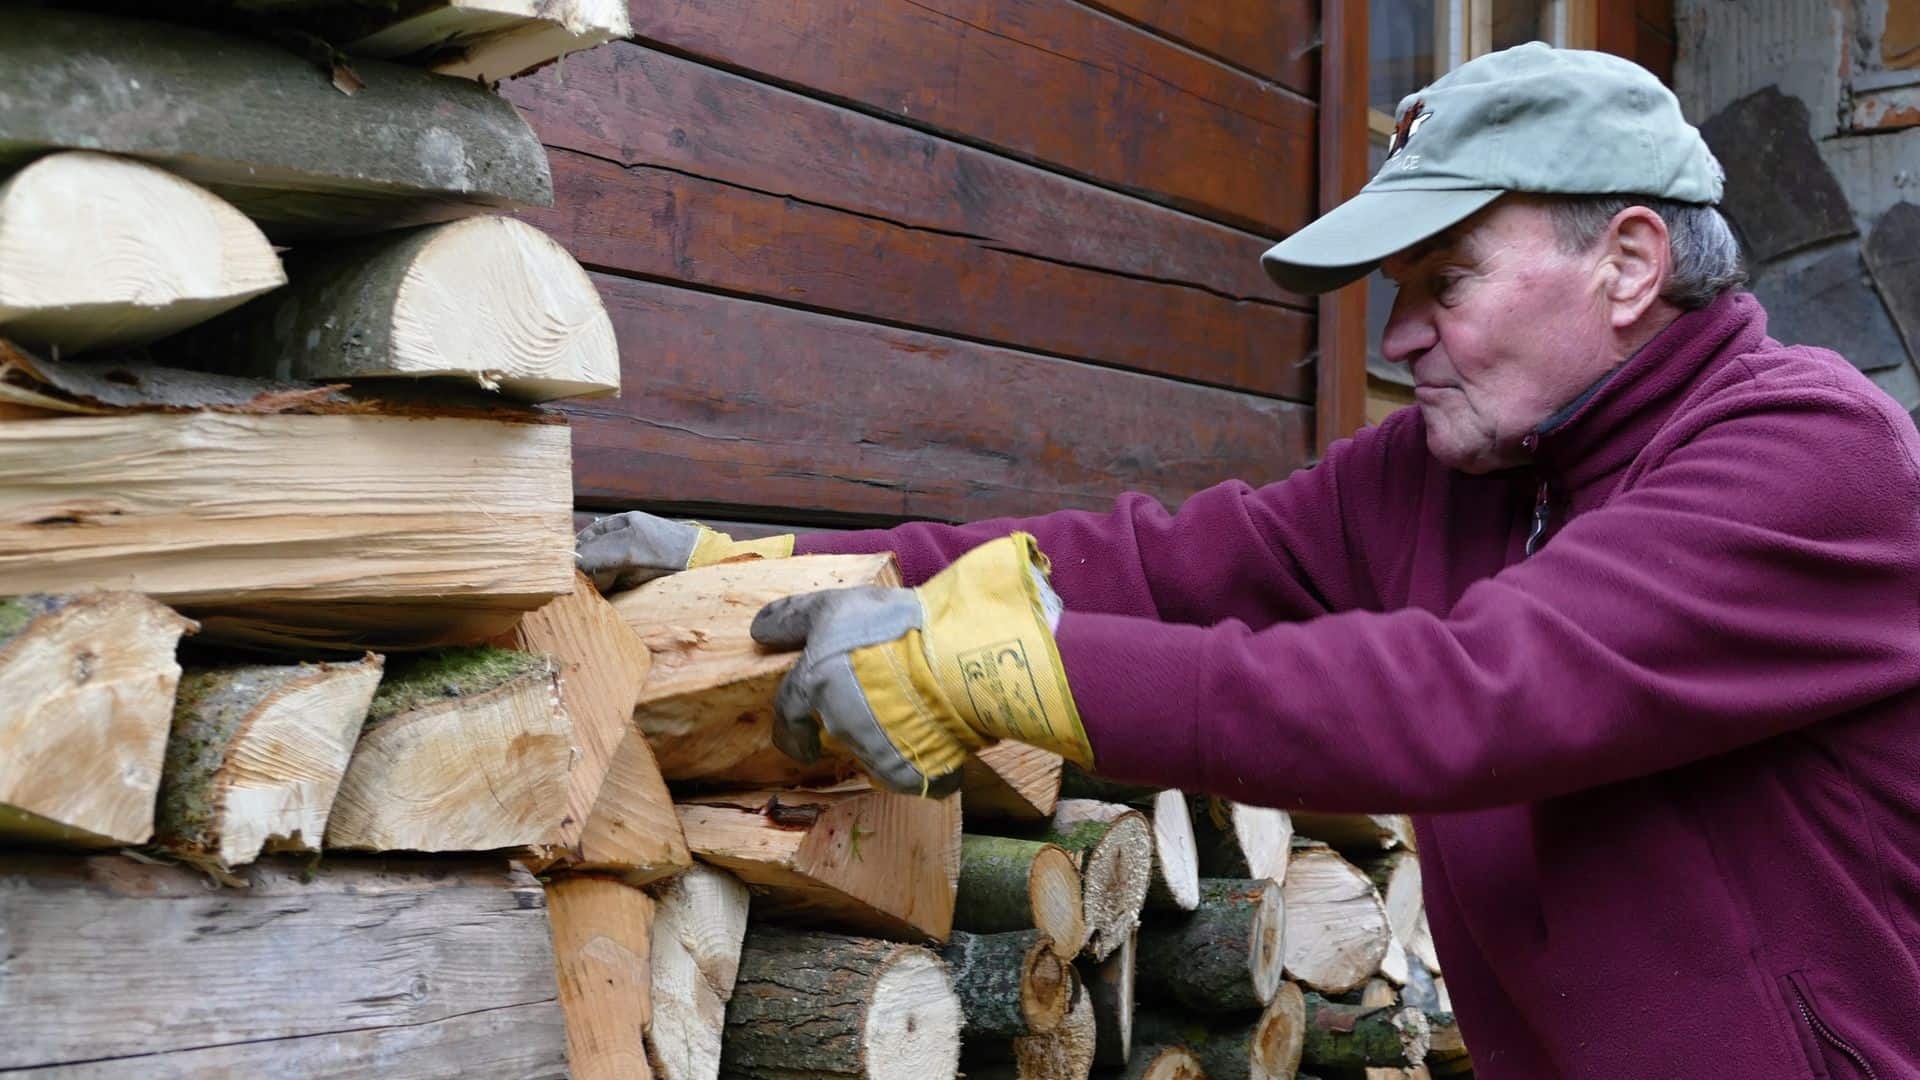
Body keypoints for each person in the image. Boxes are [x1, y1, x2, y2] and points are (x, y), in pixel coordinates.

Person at [577, 44, 1920, 1077]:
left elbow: (1464, 696)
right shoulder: (1460, 471)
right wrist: (776, 562)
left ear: (1628, 263)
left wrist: (1010, 674)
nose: (1401, 337)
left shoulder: (1808, 457)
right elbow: (1147, 570)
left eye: (1440, 282)